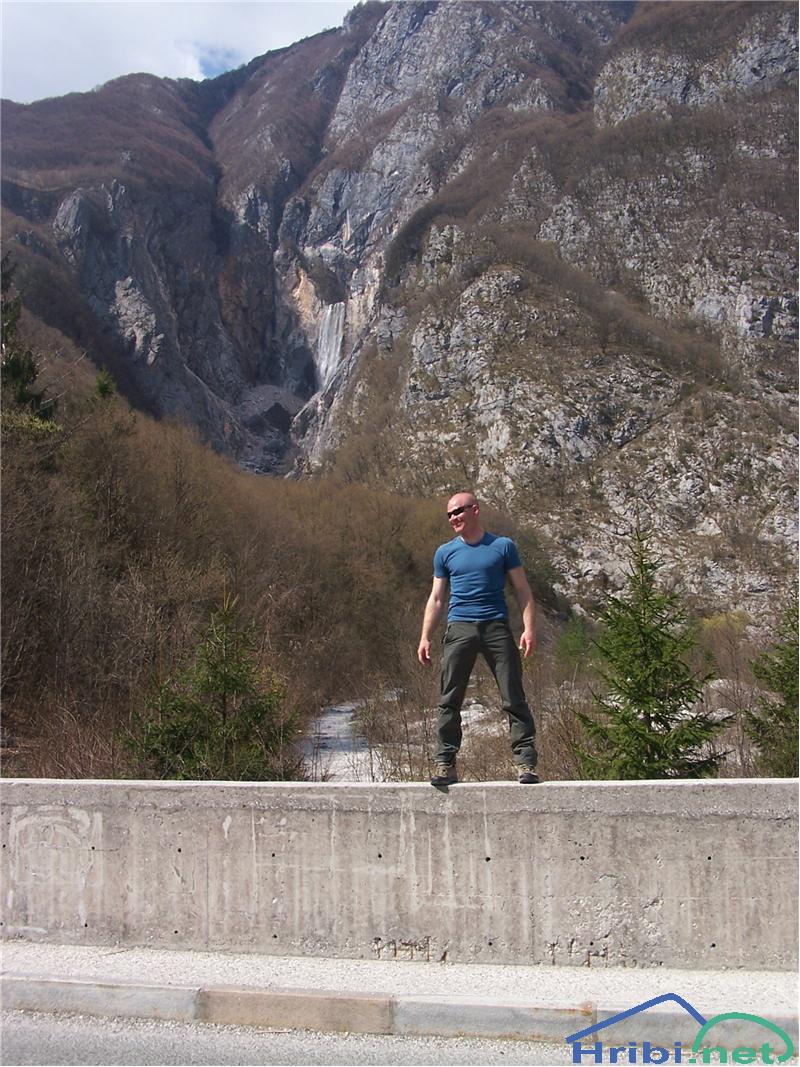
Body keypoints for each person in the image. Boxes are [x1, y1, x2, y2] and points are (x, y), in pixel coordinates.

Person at [417, 491, 540, 786]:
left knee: (513, 696)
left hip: (496, 627)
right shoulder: (444, 553)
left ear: (475, 510)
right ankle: (445, 763)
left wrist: (529, 628)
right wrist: (425, 637)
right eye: (449, 514)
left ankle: (526, 763)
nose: (453, 518)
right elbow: (437, 598)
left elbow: (522, 589)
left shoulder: (503, 546)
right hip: (459, 628)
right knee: (449, 698)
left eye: (458, 511)